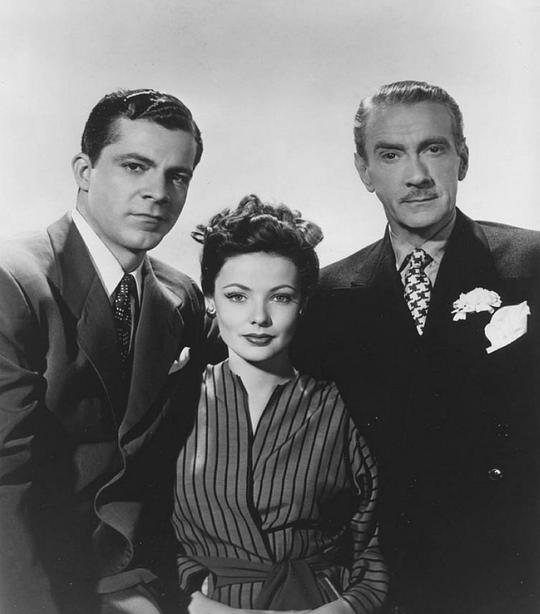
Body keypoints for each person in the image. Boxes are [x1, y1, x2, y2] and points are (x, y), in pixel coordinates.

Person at [293, 80, 540, 614]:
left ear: (462, 159)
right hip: (389, 583)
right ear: (364, 171)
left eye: (433, 148)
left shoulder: (532, 262)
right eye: (391, 154)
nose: (417, 175)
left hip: (515, 575)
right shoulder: (328, 295)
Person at [0, 89, 207, 614]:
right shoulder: (14, 281)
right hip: (34, 578)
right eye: (135, 166)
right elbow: (5, 482)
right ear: (84, 171)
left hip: (142, 574)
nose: (157, 192)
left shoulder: (180, 295)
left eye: (177, 176)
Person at [172, 195, 388, 613]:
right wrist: (197, 603)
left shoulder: (341, 408)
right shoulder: (175, 400)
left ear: (303, 303)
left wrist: (342, 609)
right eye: (238, 296)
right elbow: (147, 535)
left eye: (281, 297)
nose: (260, 317)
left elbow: (376, 543)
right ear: (210, 298)